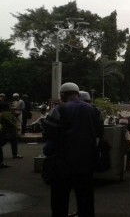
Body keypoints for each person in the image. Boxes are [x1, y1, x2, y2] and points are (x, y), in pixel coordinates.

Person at [42, 82, 102, 216]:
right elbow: (99, 134)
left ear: (62, 95)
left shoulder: (59, 110)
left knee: (59, 201)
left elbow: (48, 134)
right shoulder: (94, 110)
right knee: (86, 199)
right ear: (78, 94)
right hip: (87, 162)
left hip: (63, 163)